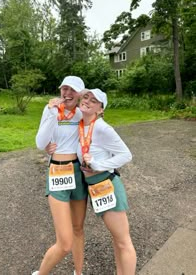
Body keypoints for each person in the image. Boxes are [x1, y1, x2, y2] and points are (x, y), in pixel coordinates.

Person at [77, 88, 137, 275]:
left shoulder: (102, 128)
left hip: (107, 184)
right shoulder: (80, 125)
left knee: (123, 241)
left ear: (100, 109)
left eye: (93, 100)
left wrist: (99, 165)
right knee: (116, 239)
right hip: (95, 188)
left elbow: (126, 155)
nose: (87, 101)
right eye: (86, 97)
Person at [33, 76, 88, 275]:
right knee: (64, 242)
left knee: (78, 229)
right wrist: (52, 113)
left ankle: (78, 273)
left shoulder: (82, 113)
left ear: (80, 93)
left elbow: (94, 129)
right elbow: (40, 143)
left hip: (78, 172)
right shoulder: (50, 110)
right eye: (64, 89)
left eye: (72, 90)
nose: (67, 94)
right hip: (57, 169)